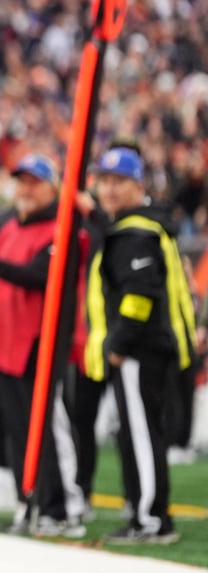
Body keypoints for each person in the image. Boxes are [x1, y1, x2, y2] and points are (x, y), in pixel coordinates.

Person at [0, 154, 88, 537]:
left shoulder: (62, 230)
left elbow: (38, 276)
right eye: (21, 182)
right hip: (3, 343)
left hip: (38, 343)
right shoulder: (6, 226)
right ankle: (28, 501)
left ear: (51, 188)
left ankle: (62, 506)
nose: (26, 190)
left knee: (47, 428)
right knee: (16, 431)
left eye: (35, 182)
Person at [86, 147, 196, 545]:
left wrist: (119, 343)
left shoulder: (135, 232)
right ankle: (143, 511)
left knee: (143, 434)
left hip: (140, 350)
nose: (110, 189)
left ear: (137, 185)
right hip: (150, 348)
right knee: (137, 433)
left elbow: (140, 294)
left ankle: (151, 519)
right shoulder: (140, 225)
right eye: (105, 181)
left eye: (119, 182)